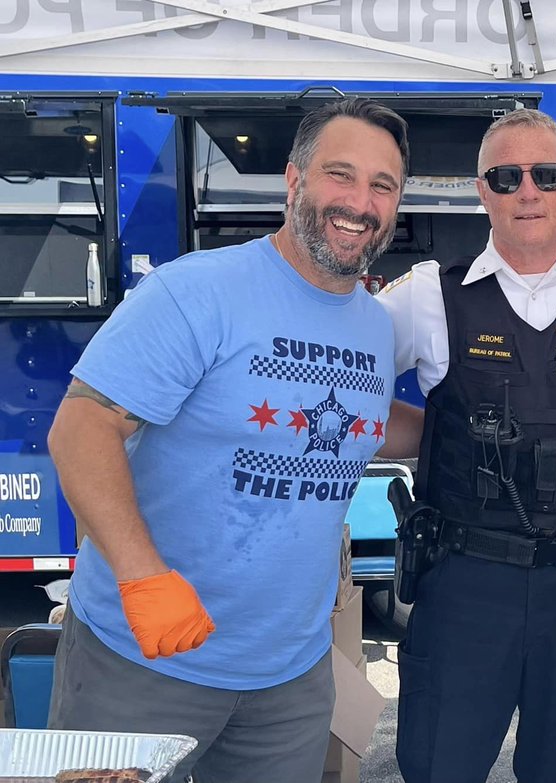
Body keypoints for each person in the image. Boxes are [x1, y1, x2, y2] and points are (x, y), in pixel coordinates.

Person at [45, 97, 406, 783]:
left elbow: (361, 420)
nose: (360, 201)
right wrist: (141, 573)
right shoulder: (198, 292)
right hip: (142, 662)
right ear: (294, 180)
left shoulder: (374, 325)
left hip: (290, 682)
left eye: (382, 185)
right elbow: (82, 425)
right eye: (341, 174)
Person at [376, 108, 556, 783]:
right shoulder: (429, 297)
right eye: (507, 175)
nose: (528, 191)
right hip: (466, 581)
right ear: (482, 190)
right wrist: (433, 431)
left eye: (547, 175)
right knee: (440, 767)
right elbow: (341, 388)